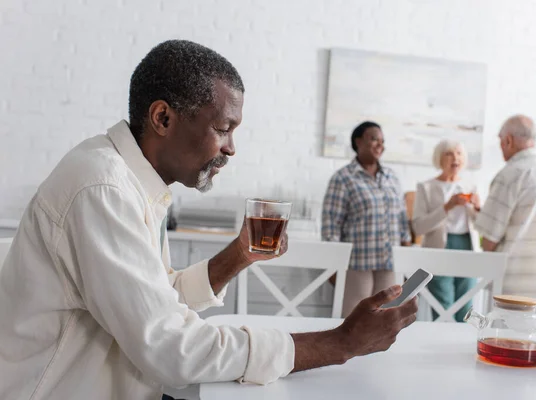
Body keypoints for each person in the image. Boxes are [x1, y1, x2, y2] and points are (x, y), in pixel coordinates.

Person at [0, 40, 418, 399]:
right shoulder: (103, 189)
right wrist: (341, 342)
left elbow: (156, 300)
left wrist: (238, 256)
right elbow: (171, 348)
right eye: (224, 128)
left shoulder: (131, 183)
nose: (231, 148)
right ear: (163, 118)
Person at [322, 121, 412, 318]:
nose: (380, 144)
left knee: (388, 320)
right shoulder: (343, 178)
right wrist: (333, 266)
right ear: (358, 141)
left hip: (390, 263)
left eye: (382, 141)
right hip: (357, 264)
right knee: (354, 321)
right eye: (373, 139)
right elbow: (331, 226)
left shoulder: (392, 177)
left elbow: (402, 220)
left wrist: (407, 258)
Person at [475, 115, 536, 308]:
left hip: (509, 290)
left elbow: (489, 239)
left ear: (508, 140)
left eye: (500, 141)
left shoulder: (510, 174)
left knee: (501, 339)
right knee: (532, 338)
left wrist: (476, 215)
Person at [411, 140, 481, 322]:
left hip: (467, 247)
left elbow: (482, 225)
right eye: (449, 154)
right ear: (439, 159)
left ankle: (457, 346)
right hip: (439, 247)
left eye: (458, 153)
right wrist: (447, 207)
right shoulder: (426, 187)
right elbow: (418, 227)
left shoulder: (471, 188)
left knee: (466, 307)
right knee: (443, 305)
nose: (455, 158)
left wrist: (478, 208)